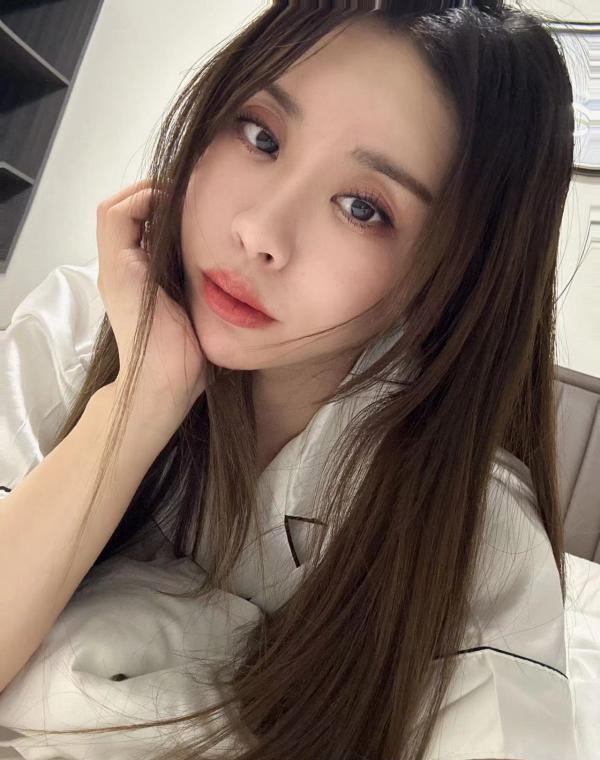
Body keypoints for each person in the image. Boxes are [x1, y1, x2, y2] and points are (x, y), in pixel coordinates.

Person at [0, 2, 580, 759]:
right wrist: (136, 404)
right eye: (261, 135)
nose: (259, 232)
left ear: (451, 275)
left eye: (363, 208)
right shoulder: (81, 325)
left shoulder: (473, 535)